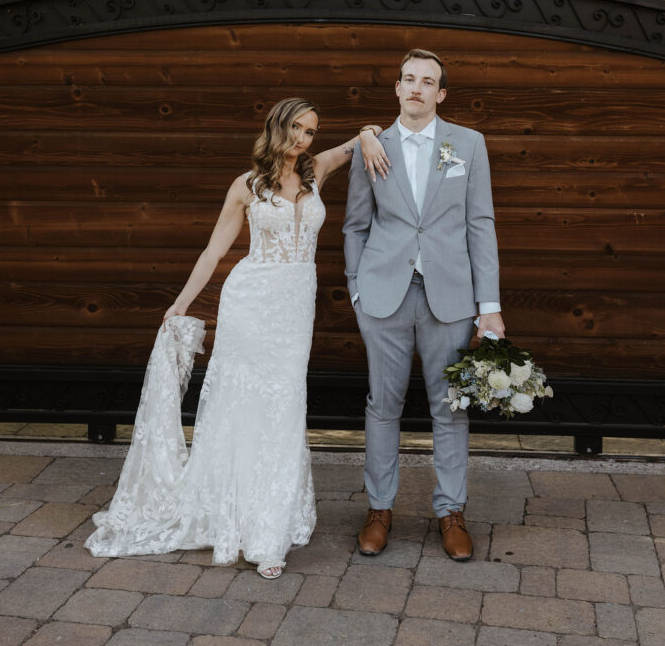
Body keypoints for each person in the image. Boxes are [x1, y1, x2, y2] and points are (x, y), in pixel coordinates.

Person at [85, 98, 388, 579]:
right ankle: (251, 529)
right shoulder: (246, 186)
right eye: (295, 128)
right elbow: (213, 251)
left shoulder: (315, 171)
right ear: (276, 127)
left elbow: (357, 141)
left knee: (284, 407)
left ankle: (269, 524)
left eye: (311, 131)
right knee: (242, 407)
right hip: (249, 304)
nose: (303, 139)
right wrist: (181, 303)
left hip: (294, 310)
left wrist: (370, 132)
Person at [343, 48, 505, 562]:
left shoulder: (469, 145)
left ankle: (451, 511)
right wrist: (357, 290)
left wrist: (489, 304)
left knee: (449, 408)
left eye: (427, 81)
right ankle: (379, 509)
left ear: (441, 93)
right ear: (396, 88)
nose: (416, 87)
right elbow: (355, 226)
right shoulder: (371, 146)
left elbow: (480, 225)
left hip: (451, 296)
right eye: (408, 78)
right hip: (383, 296)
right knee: (382, 405)